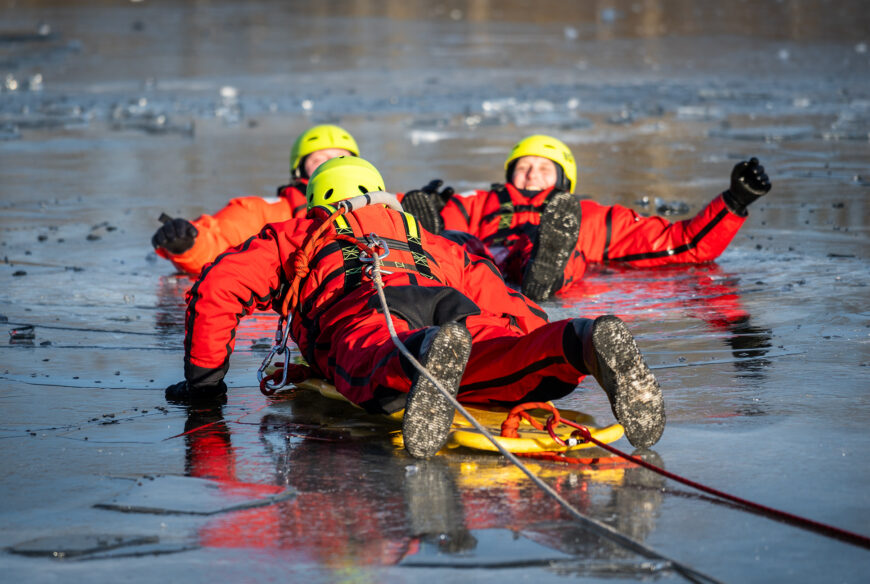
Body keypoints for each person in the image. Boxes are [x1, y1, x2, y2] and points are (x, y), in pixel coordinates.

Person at [166, 156, 666, 458]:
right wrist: (539, 328)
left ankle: (426, 354)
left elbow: (216, 289)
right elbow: (504, 299)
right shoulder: (427, 238)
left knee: (376, 360)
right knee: (499, 349)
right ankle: (577, 343)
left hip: (368, 308)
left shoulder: (298, 232)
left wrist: (205, 388)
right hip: (451, 299)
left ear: (319, 198)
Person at [401, 134, 772, 301]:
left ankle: (545, 270)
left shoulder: (587, 216)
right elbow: (387, 208)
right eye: (523, 167)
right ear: (508, 172)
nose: (531, 175)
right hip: (481, 259)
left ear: (564, 179)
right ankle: (426, 246)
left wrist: (734, 202)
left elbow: (682, 243)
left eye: (544, 168)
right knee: (455, 243)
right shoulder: (476, 203)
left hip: (541, 260)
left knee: (558, 246)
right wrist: (417, 206)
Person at [151, 124, 360, 275]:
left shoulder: (385, 206)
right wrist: (187, 242)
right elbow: (217, 244)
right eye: (319, 160)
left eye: (340, 157)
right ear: (299, 170)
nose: (330, 165)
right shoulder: (263, 212)